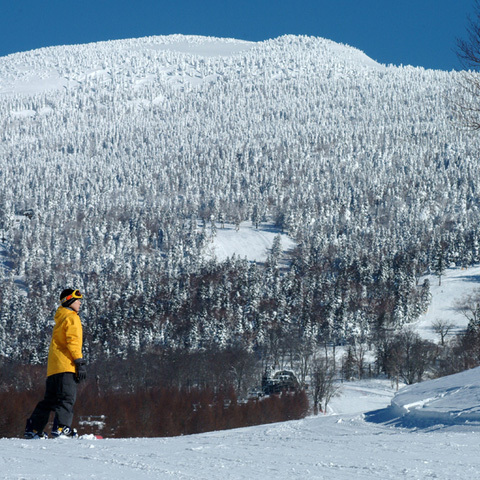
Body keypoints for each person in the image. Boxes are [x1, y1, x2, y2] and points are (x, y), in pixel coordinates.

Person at [24, 288, 87, 439]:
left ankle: (33, 429)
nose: (80, 302)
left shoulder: (60, 318)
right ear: (69, 301)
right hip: (66, 366)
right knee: (66, 398)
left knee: (50, 400)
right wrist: (79, 362)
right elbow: (73, 341)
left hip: (53, 369)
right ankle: (62, 428)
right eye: (77, 299)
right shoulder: (72, 317)